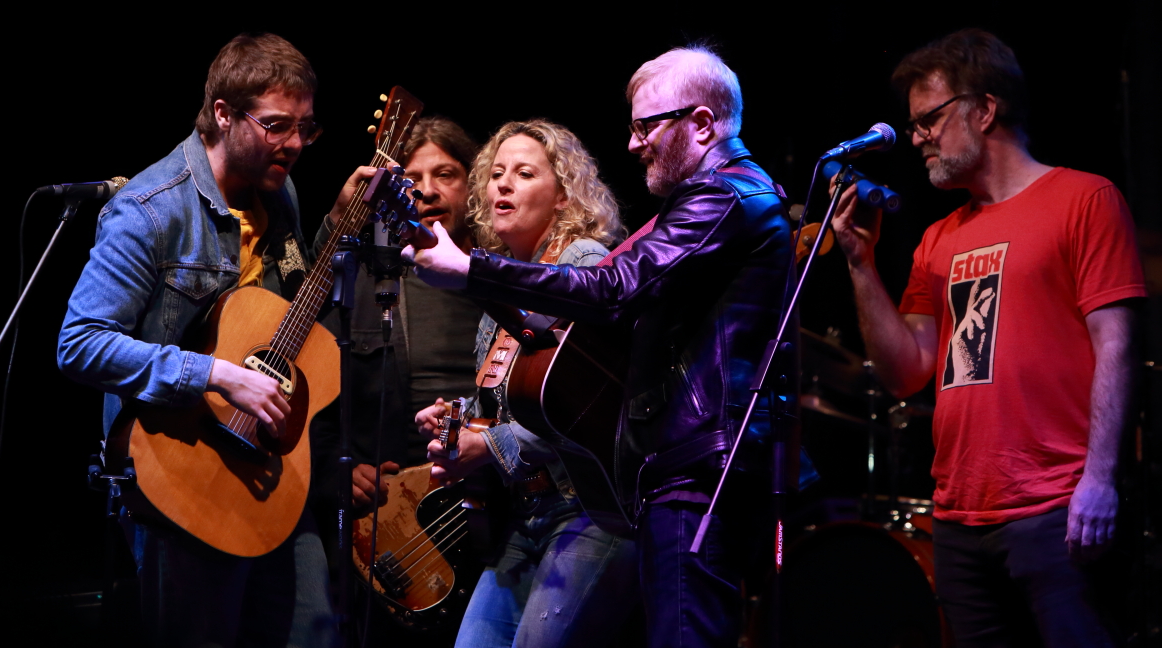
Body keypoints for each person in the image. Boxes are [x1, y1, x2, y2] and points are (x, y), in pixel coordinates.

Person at [407, 47, 795, 648]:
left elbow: (614, 289)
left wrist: (472, 271)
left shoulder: (725, 197)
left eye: (647, 126)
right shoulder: (709, 201)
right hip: (670, 468)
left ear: (701, 124)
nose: (634, 143)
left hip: (693, 471)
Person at [828, 29, 1142, 648]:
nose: (916, 137)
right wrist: (860, 263)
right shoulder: (938, 239)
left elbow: (1117, 344)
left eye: (929, 119)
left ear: (985, 109)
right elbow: (906, 371)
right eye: (913, 124)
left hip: (1056, 509)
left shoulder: (1084, 199)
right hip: (958, 518)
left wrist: (1101, 479)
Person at [57, 33, 370, 647]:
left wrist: (338, 226)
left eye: (306, 128)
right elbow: (81, 343)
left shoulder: (279, 193)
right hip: (182, 470)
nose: (295, 144)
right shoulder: (150, 210)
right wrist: (218, 375)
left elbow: (286, 313)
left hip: (267, 465)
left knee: (315, 634)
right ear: (223, 114)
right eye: (277, 125)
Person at [413, 119, 639, 648]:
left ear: (563, 196)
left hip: (588, 509)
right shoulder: (504, 274)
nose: (503, 184)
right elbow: (516, 394)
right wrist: (459, 418)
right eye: (496, 174)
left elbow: (590, 404)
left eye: (524, 173)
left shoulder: (583, 263)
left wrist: (489, 446)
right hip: (525, 512)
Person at [305, 116, 487, 645]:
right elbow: (306, 398)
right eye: (411, 179)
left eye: (445, 174)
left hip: (484, 519)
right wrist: (337, 470)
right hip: (387, 534)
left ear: (473, 184)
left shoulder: (503, 276)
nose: (426, 191)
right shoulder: (359, 285)